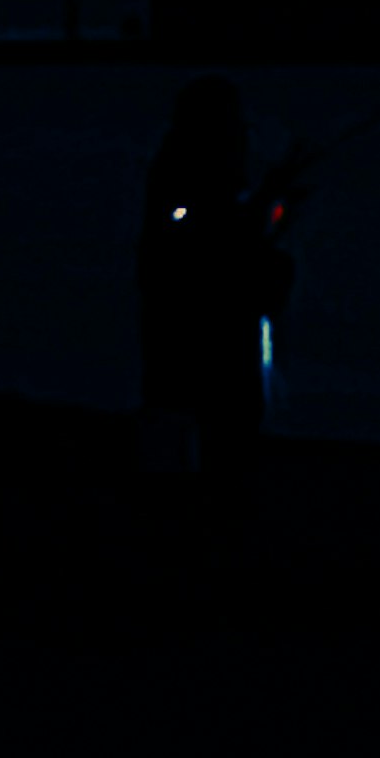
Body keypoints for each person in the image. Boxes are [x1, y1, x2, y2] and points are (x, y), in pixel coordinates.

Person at [134, 75, 302, 486]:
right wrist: (266, 203)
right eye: (232, 125)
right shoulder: (186, 172)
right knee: (209, 419)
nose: (241, 138)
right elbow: (211, 239)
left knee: (208, 420)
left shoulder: (184, 168)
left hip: (204, 321)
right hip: (205, 322)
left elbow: (219, 231)